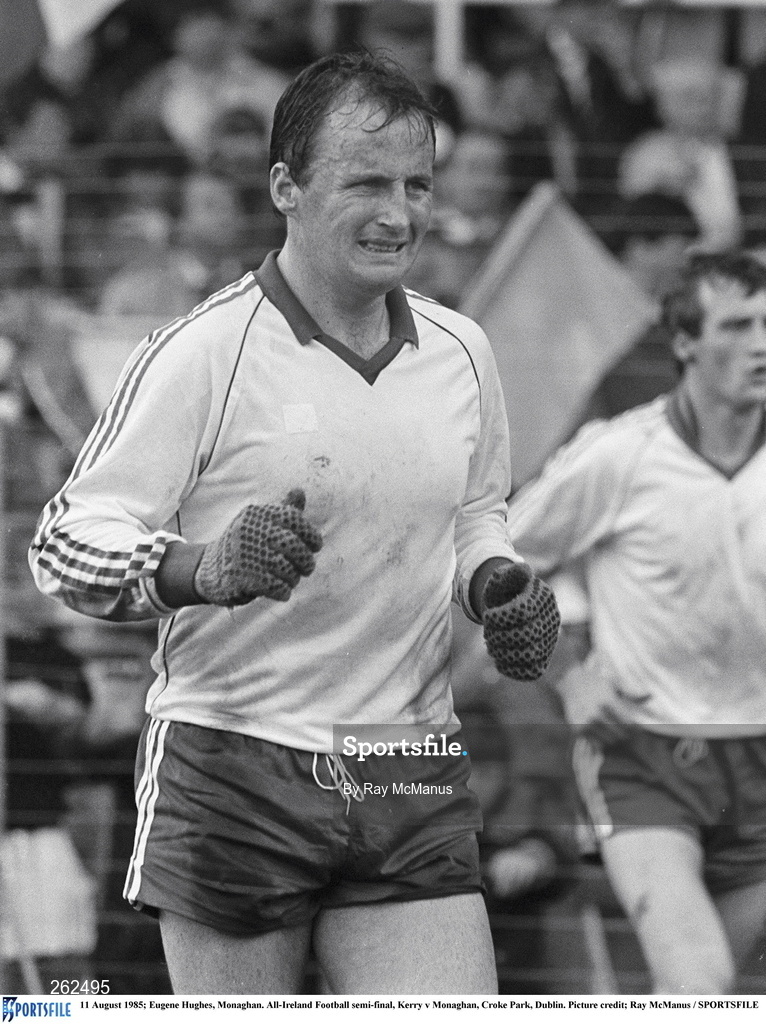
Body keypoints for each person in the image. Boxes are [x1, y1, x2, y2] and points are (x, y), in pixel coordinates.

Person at [28, 51, 560, 996]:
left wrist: (498, 586)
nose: (399, 213)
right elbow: (64, 543)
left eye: (417, 185)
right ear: (285, 186)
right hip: (235, 758)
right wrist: (203, 567)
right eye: (366, 183)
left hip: (402, 759)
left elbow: (479, 514)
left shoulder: (462, 351)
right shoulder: (203, 351)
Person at [505, 249, 766, 994]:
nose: (762, 343)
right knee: (700, 988)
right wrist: (569, 673)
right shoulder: (617, 455)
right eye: (740, 326)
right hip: (643, 759)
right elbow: (494, 563)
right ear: (685, 342)